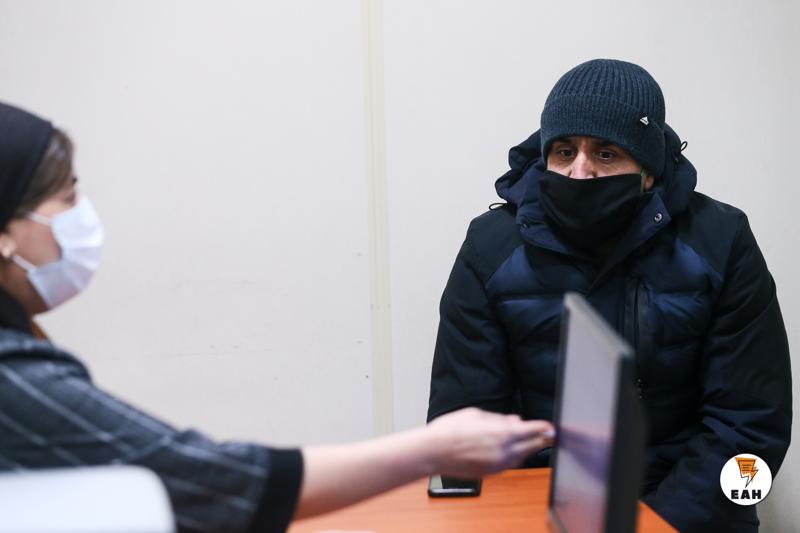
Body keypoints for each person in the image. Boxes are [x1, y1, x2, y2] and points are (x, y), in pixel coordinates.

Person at [0, 101, 555, 533]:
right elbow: (211, 481)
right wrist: (432, 449)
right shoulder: (14, 375)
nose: (82, 216)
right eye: (68, 197)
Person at [427, 59, 792, 533]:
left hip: (687, 512)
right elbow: (463, 430)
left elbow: (751, 429)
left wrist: (655, 526)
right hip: (537, 509)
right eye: (564, 151)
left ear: (648, 170)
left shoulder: (721, 243)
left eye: (605, 153)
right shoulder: (490, 249)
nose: (579, 172)